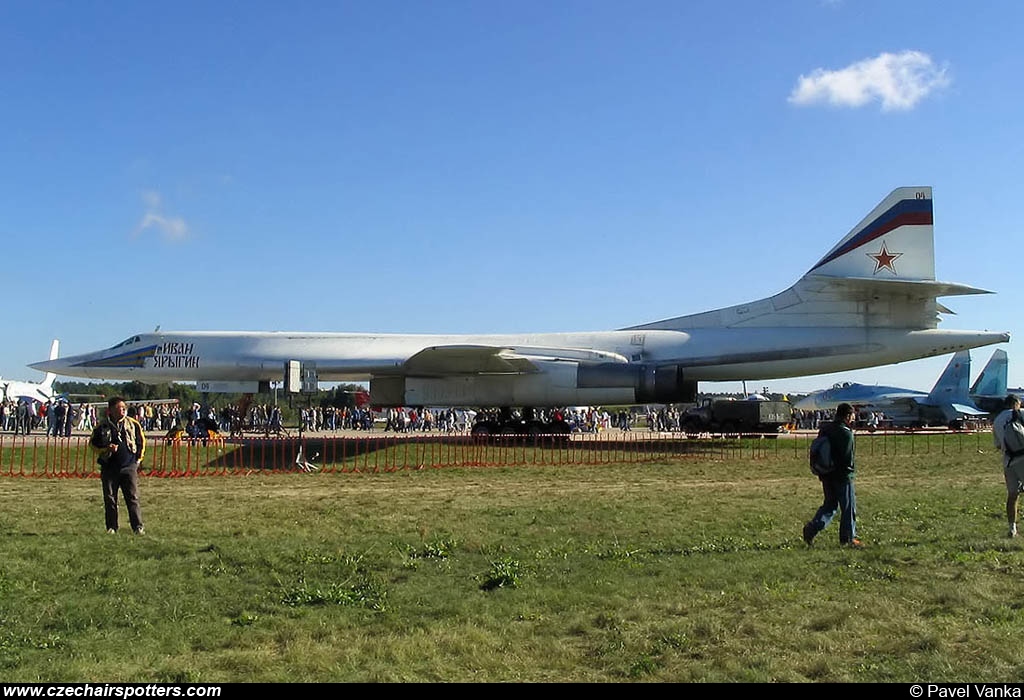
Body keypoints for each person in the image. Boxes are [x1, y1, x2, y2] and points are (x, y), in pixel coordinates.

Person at [802, 402, 862, 548]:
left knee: (829, 505)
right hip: (842, 476)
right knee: (848, 508)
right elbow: (847, 458)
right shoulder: (845, 433)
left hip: (826, 473)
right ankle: (848, 538)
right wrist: (850, 473)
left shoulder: (826, 429)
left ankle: (812, 528)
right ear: (848, 416)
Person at [90, 397, 146, 535]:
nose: (122, 410)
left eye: (123, 408)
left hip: (129, 466)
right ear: (111, 410)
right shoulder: (102, 426)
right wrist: (106, 449)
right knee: (110, 498)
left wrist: (137, 461)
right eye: (119, 408)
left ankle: (137, 527)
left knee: (132, 497)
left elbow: (141, 442)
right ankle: (112, 527)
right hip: (109, 468)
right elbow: (93, 444)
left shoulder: (133, 424)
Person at [992, 394, 1024, 538]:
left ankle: (1012, 528)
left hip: (1008, 461)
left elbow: (998, 445)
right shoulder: (1020, 413)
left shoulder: (997, 420)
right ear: (1016, 403)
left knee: (1012, 495)